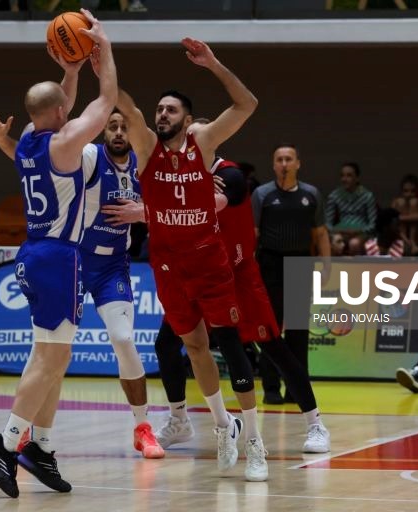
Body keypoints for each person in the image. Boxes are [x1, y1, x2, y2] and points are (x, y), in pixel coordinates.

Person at [0, 9, 117, 499]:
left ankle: (39, 445)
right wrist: (104, 48)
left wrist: (72, 71)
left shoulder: (27, 146)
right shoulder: (64, 142)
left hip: (36, 252)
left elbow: (64, 103)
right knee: (50, 357)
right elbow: (108, 101)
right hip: (58, 257)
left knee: (55, 357)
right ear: (60, 114)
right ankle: (7, 441)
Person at [116, 37, 265, 479]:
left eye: (171, 110)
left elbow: (248, 103)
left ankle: (254, 439)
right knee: (193, 346)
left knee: (229, 342)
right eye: (159, 109)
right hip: (167, 263)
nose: (162, 114)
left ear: (186, 119)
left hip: (209, 259)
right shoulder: (145, 146)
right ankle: (223, 426)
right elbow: (120, 99)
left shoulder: (203, 143)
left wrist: (214, 64)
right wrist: (99, 53)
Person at [0, 109, 165, 459]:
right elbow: (37, 162)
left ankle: (143, 428)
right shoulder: (90, 155)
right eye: (111, 125)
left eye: (124, 126)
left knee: (124, 339)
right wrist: (4, 141)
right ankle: (23, 431)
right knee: (48, 349)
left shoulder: (144, 167)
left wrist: (143, 211)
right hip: (75, 260)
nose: (117, 131)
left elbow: (169, 206)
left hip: (113, 265)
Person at [143, 150, 330, 466]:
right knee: (165, 343)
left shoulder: (230, 175)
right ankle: (179, 420)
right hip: (199, 274)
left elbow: (221, 201)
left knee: (273, 347)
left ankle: (315, 424)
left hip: (237, 276)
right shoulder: (179, 179)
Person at [252, 144, 330, 405]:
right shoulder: (262, 194)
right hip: (269, 262)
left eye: (289, 159)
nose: (284, 163)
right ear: (273, 165)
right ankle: (271, 389)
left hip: (300, 264)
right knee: (270, 329)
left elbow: (319, 233)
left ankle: (296, 389)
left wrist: (326, 263)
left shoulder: (311, 194)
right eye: (279, 159)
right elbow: (253, 233)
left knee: (298, 331)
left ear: (298, 163)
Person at [324, 162, 377, 242]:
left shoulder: (367, 196)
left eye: (349, 175)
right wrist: (336, 231)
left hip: (361, 232)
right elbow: (328, 222)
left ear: (357, 178)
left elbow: (373, 224)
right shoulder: (334, 196)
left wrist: (359, 231)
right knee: (336, 241)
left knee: (354, 243)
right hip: (341, 230)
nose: (344, 179)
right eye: (342, 175)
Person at [391, 174, 418, 247]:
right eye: (406, 191)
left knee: (413, 202)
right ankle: (405, 241)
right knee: (400, 202)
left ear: (417, 190)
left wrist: (399, 217)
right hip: (400, 232)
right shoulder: (396, 201)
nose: (409, 194)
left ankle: (412, 240)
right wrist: (398, 218)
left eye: (413, 191)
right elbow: (391, 218)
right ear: (401, 190)